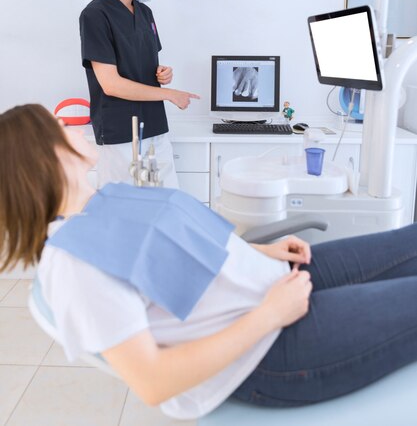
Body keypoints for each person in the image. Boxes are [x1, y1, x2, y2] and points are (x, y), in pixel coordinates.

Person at [3, 104, 417, 421]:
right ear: (42, 156)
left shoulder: (104, 201)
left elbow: (175, 254)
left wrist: (258, 252)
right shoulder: (74, 263)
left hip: (274, 281)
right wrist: (271, 316)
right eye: (58, 128)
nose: (72, 127)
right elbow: (152, 382)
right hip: (267, 350)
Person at [79, 0, 199, 188]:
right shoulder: (95, 15)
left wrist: (162, 74)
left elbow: (146, 65)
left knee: (167, 207)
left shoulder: (145, 13)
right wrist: (170, 94)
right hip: (120, 134)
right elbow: (110, 84)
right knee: (124, 215)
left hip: (155, 128)